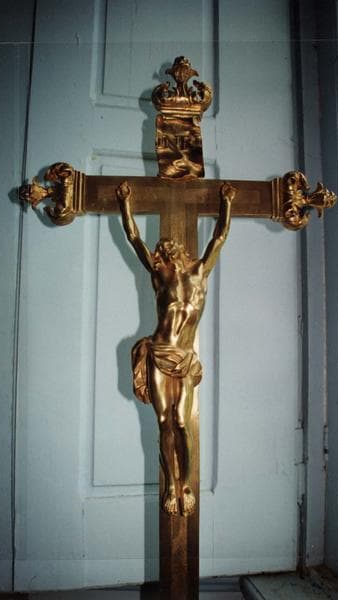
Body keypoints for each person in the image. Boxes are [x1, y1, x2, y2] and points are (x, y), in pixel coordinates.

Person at [117, 180, 235, 516]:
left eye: (168, 252)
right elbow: (134, 238)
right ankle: (170, 482)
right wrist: (125, 204)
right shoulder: (159, 278)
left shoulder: (200, 273)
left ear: (180, 253)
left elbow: (219, 237)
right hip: (158, 353)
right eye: (162, 254)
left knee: (182, 422)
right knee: (163, 420)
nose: (164, 256)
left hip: (184, 358)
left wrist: (227, 203)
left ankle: (186, 482)